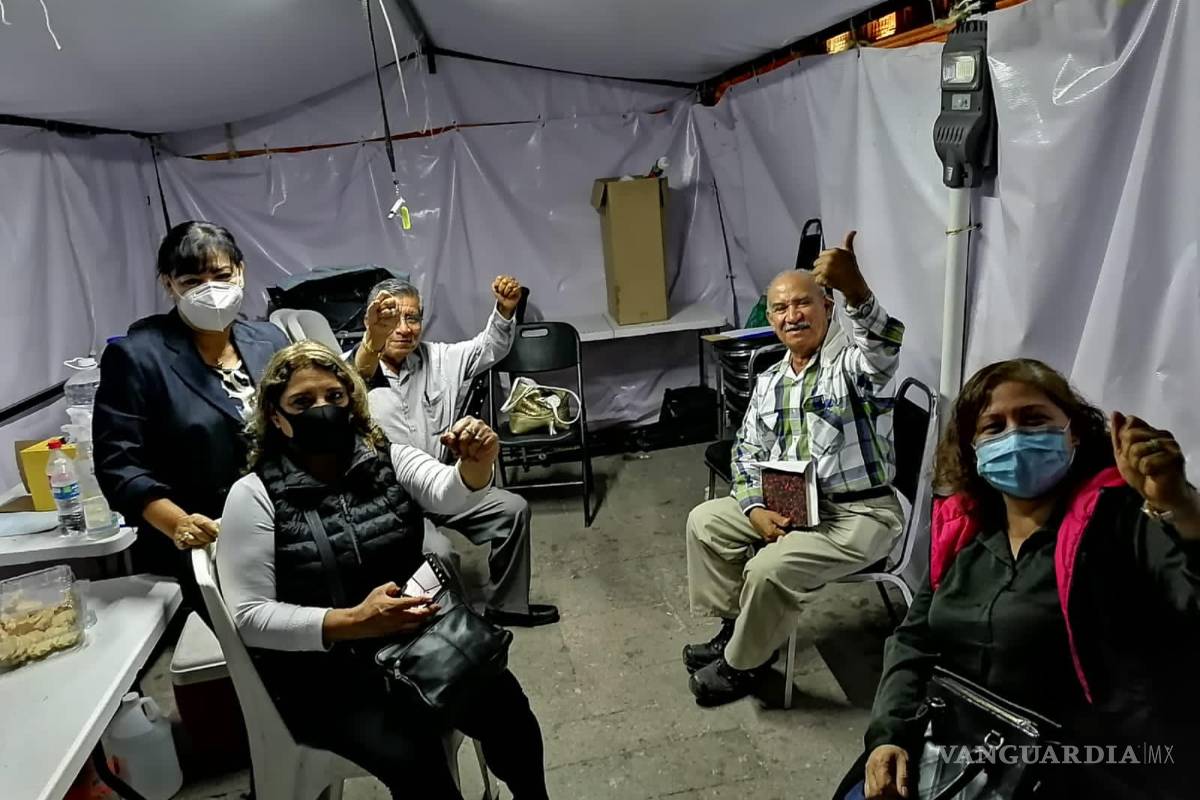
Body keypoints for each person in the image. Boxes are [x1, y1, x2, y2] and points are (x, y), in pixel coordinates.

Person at [217, 341, 549, 800]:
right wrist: (353, 622)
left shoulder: (386, 458)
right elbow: (251, 617)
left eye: (334, 397)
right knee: (417, 762)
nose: (322, 409)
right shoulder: (253, 495)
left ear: (352, 401)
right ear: (276, 417)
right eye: (301, 402)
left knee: (508, 711)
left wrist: (475, 466)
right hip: (327, 675)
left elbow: (447, 492)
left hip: (418, 642)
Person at [858, 359, 1200, 800]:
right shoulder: (966, 528)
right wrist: (888, 734)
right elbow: (914, 639)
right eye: (993, 427)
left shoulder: (1122, 520)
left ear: (1073, 431)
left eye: (1034, 419)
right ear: (973, 448)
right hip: (964, 752)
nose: (1015, 437)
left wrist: (1183, 507)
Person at [684, 231, 906, 706]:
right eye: (780, 309)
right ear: (770, 319)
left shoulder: (852, 366)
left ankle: (743, 664)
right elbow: (744, 453)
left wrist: (858, 290)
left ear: (827, 305)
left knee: (767, 568)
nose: (792, 316)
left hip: (858, 515)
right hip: (790, 506)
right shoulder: (769, 380)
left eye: (803, 304)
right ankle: (739, 629)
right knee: (705, 522)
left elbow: (884, 345)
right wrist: (751, 509)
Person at [94, 221, 289, 611]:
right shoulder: (138, 357)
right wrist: (178, 523)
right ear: (169, 284)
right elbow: (119, 465)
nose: (210, 290)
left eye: (221, 275)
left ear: (241, 271)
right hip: (203, 538)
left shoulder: (269, 340)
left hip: (283, 523)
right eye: (192, 280)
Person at [353, 275, 558, 628]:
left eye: (413, 318)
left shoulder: (440, 359)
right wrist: (368, 348)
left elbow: (489, 347)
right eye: (392, 318)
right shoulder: (353, 372)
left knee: (513, 510)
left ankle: (506, 606)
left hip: (446, 484)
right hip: (395, 502)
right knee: (439, 553)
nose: (404, 329)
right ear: (373, 322)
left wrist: (505, 310)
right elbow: (355, 376)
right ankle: (458, 630)